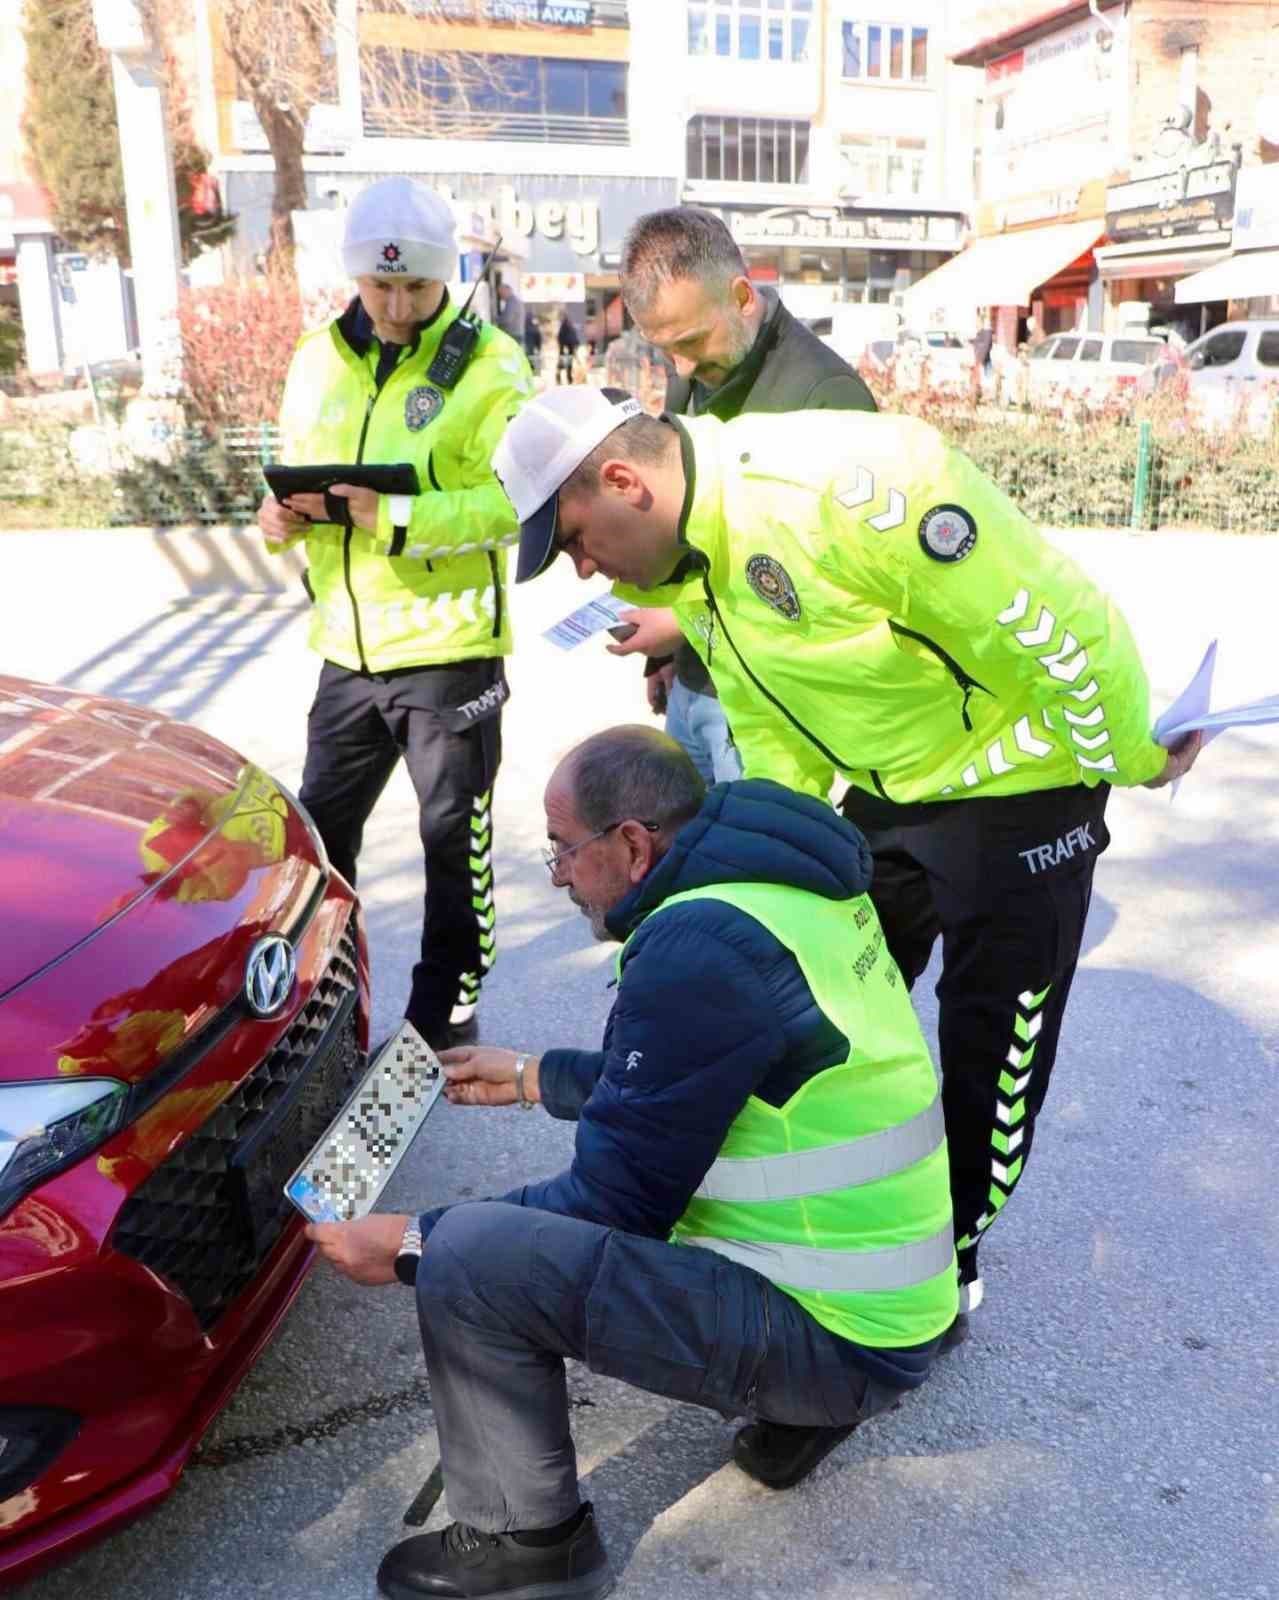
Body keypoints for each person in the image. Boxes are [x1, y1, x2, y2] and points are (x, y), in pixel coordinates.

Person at [493, 385, 1203, 1343]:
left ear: (625, 482)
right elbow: (770, 715)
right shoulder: (691, 570)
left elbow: (1065, 626)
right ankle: (827, 1244)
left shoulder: (853, 488)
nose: (582, 568)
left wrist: (1133, 755)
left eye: (575, 538)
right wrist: (764, 854)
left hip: (1023, 791)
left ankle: (944, 1270)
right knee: (827, 1017)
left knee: (989, 1052)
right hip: (891, 792)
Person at [307, 726, 957, 1600]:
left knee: (473, 1261)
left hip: (838, 1339)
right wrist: (539, 1076)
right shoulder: (776, 891)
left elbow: (615, 1201)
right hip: (897, 1305)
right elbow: (720, 1069)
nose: (559, 876)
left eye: (562, 851)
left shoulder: (700, 950)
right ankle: (798, 1416)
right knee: (481, 1242)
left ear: (633, 844)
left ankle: (527, 1551)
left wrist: (416, 1242)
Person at [257, 177, 534, 1050]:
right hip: (346, 645)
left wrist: (401, 519)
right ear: (356, 277)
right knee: (318, 834)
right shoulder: (315, 358)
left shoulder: (491, 364)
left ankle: (446, 1013)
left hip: (449, 647)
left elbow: (515, 498)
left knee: (455, 840)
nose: (399, 304)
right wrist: (276, 522)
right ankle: (314, 997)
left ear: (443, 275)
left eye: (416, 285)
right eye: (381, 287)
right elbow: (296, 469)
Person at [618, 206, 877, 784]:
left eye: (688, 341)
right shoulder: (701, 367)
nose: (680, 366)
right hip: (696, 679)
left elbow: (830, 582)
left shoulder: (825, 393)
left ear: (741, 297)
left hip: (768, 706)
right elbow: (684, 518)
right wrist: (669, 655)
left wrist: (681, 624)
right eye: (664, 349)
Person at [493, 277, 526, 346]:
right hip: (516, 334)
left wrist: (495, 319)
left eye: (501, 293)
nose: (501, 296)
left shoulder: (512, 302)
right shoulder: (515, 300)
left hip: (513, 335)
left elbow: (507, 319)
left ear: (506, 290)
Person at [556, 312, 580, 384]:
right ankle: (569, 378)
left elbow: (559, 338)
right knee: (569, 364)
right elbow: (575, 339)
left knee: (561, 364)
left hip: (564, 350)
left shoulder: (563, 327)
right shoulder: (570, 327)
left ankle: (559, 377)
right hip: (570, 349)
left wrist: (561, 347)